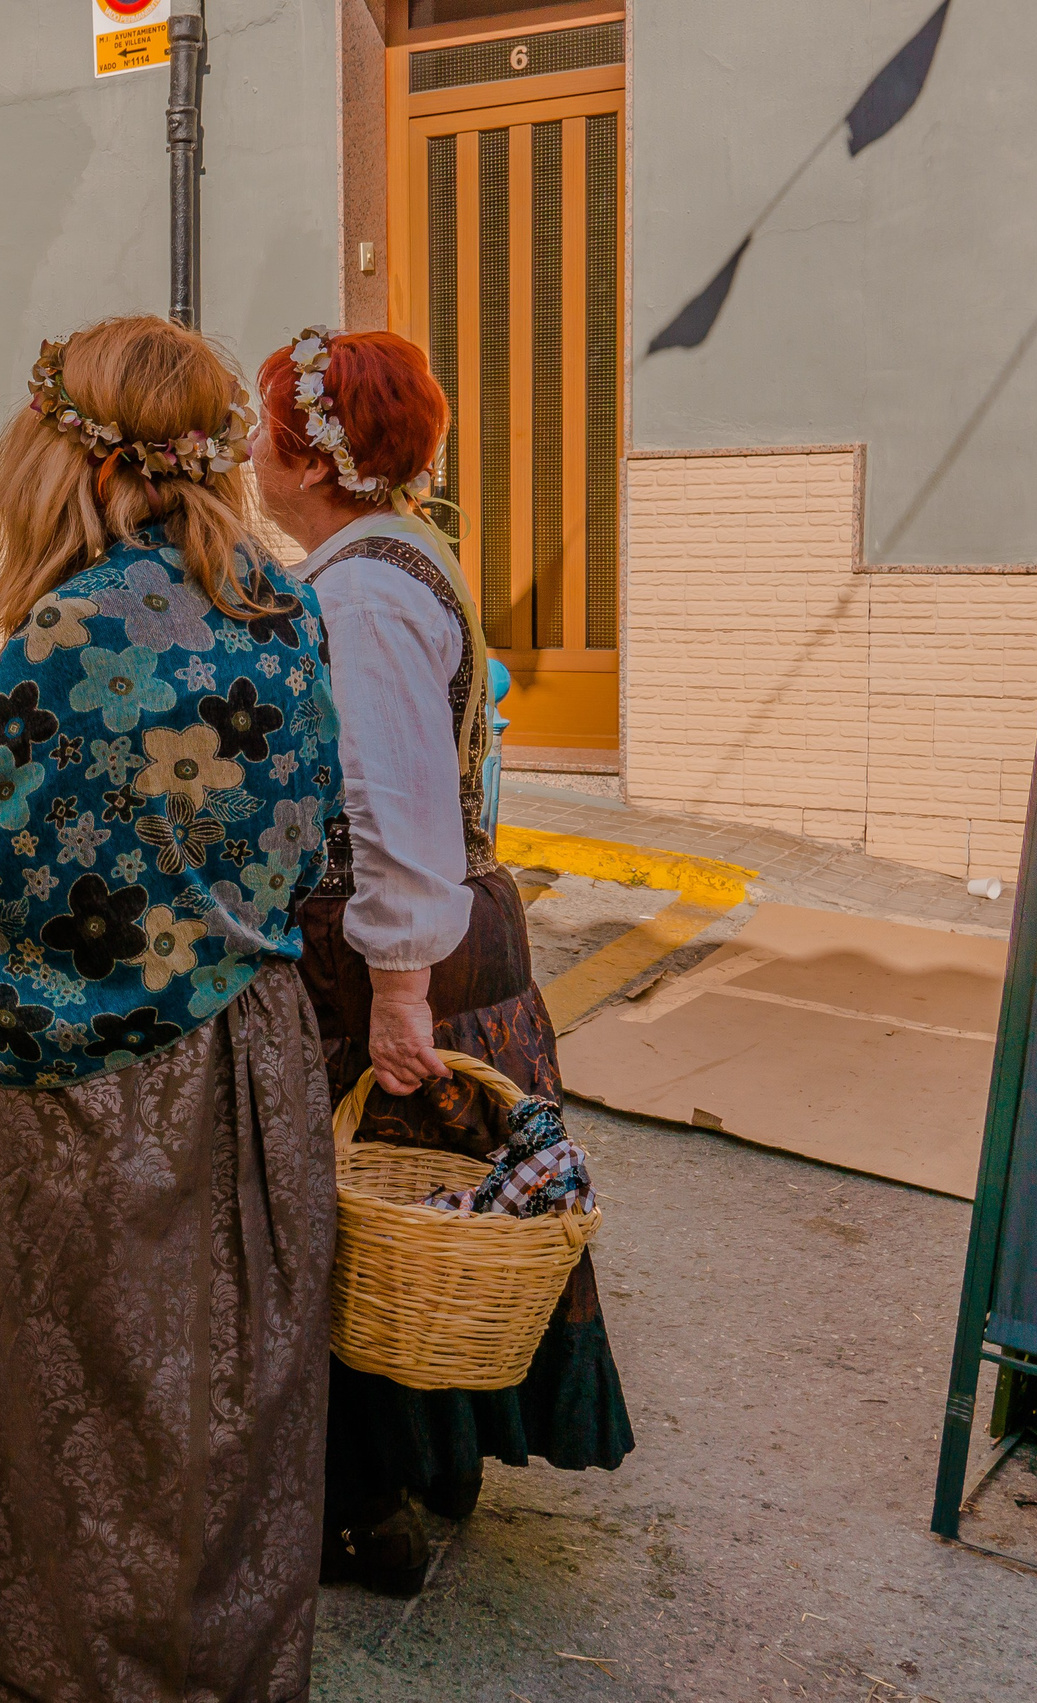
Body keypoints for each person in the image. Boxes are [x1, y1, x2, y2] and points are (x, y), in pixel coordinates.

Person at [0, 315, 342, 1702]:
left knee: (91, 1433)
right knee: (238, 1409)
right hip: (261, 1054)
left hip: (98, 1091)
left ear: (65, 456)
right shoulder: (289, 604)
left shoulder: (71, 631)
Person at [246, 327, 634, 1596]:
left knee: (365, 1213)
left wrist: (400, 991)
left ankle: (368, 1509)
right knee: (422, 1203)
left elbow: (390, 798)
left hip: (390, 961)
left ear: (310, 455)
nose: (250, 453)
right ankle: (432, 1463)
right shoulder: (398, 553)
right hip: (437, 940)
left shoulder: (354, 591)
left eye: (264, 431)